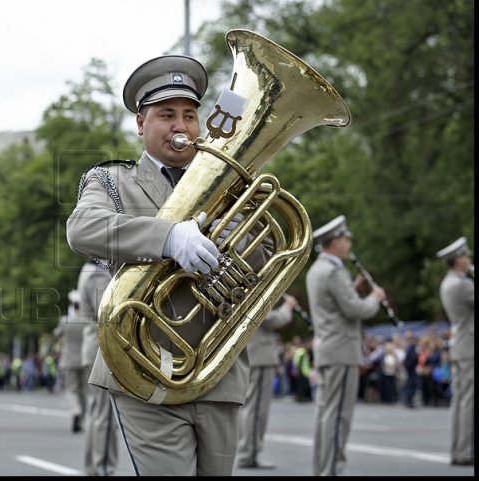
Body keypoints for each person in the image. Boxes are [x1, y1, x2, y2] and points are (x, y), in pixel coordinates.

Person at [66, 55, 273, 476]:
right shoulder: (112, 181)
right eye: (166, 115)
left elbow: (270, 261)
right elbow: (82, 229)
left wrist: (235, 228)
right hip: (143, 364)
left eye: (189, 115)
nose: (181, 126)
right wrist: (168, 238)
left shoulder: (234, 183)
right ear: (141, 124)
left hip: (218, 370)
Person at [305, 215, 386, 476]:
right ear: (336, 242)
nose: (349, 243)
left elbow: (334, 307)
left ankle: (322, 468)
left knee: (326, 415)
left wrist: (352, 287)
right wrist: (374, 298)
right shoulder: (334, 270)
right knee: (339, 417)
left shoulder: (318, 268)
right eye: (346, 239)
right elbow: (355, 309)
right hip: (341, 350)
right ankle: (331, 470)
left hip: (329, 348)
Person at [236, 294, 297, 469]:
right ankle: (249, 453)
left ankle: (247, 451)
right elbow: (271, 320)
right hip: (259, 355)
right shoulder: (251, 289)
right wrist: (288, 307)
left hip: (253, 354)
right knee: (256, 409)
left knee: (249, 408)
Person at [77, 258, 120, 476]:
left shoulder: (93, 269)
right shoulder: (97, 272)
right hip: (101, 350)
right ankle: (102, 469)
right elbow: (108, 310)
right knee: (106, 416)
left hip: (93, 349)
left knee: (97, 414)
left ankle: (95, 468)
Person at [436, 236, 474, 467]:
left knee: (461, 401)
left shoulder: (449, 282)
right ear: (458, 259)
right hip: (469, 345)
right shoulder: (463, 284)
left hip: (461, 345)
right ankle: (465, 450)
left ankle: (460, 448)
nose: (469, 259)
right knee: (468, 401)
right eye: (466, 255)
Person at [52, 290, 88, 433]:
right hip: (84, 358)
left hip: (69, 359)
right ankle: (82, 418)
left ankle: (76, 410)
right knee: (83, 391)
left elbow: (56, 333)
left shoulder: (65, 320)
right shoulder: (87, 320)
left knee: (71, 389)